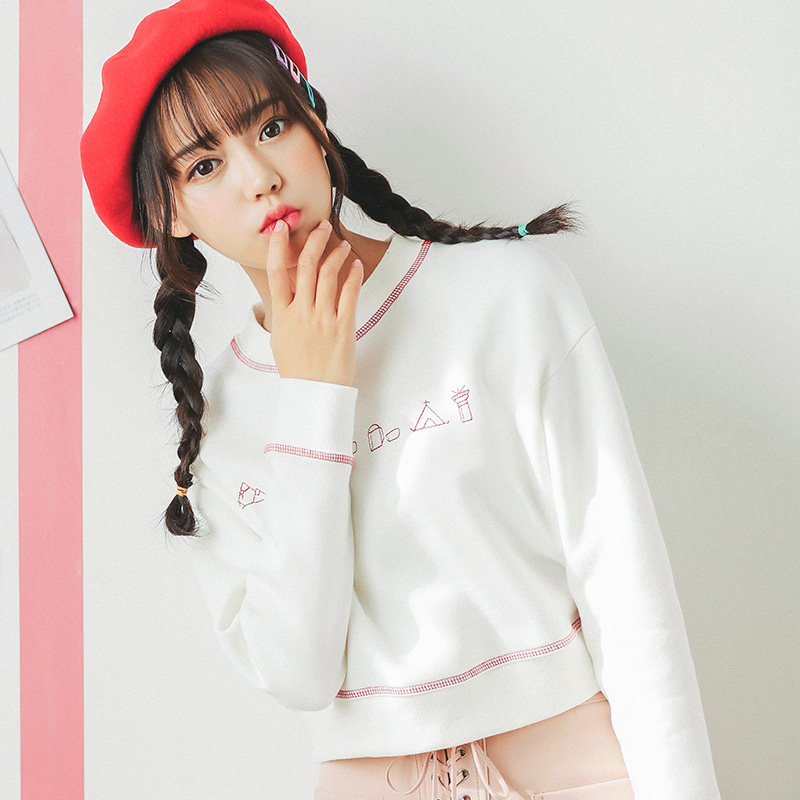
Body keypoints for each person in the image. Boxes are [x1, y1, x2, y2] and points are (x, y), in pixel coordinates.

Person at [79, 1, 722, 798]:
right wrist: (314, 396)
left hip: (577, 770)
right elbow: (299, 673)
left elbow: (625, 585)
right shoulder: (219, 430)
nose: (259, 177)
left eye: (271, 127)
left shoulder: (506, 296)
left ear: (314, 120)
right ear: (170, 212)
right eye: (204, 166)